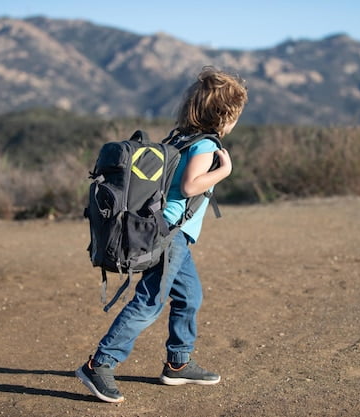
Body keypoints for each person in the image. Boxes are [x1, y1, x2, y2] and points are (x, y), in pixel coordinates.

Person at [75, 66, 248, 403]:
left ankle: (178, 364)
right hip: (169, 235)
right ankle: (99, 363)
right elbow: (189, 186)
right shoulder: (205, 146)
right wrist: (223, 171)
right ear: (225, 115)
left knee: (190, 296)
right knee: (150, 302)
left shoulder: (180, 137)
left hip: (168, 233)